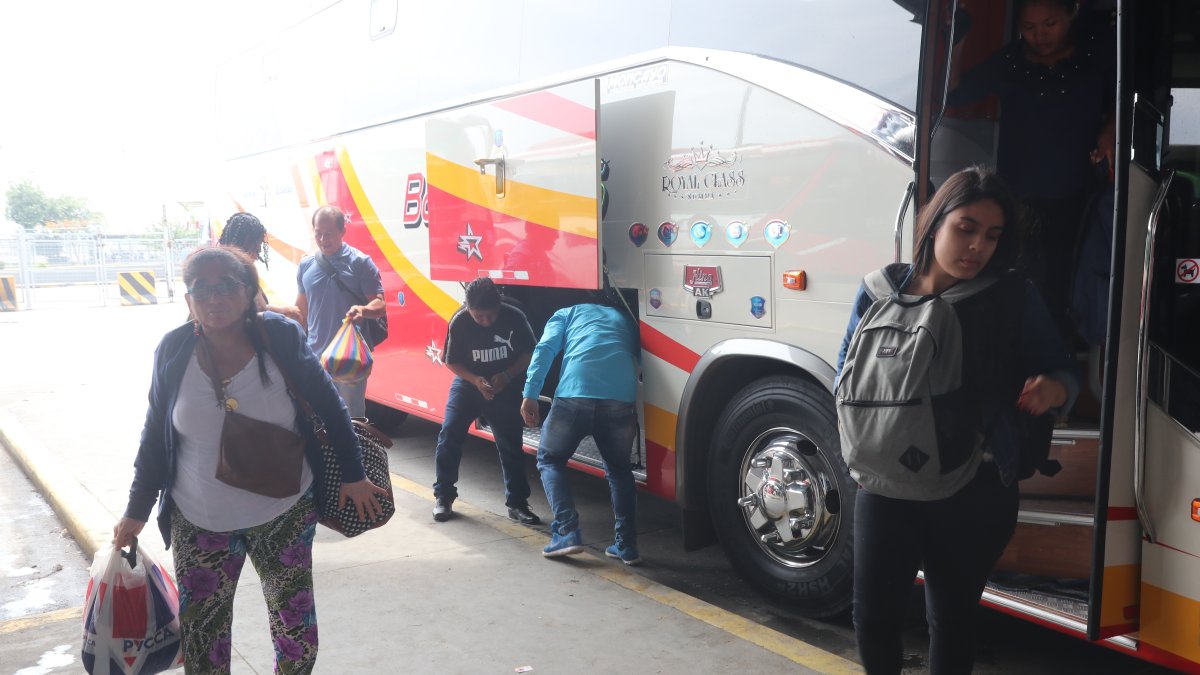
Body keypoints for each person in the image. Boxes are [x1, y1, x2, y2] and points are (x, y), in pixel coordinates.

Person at [835, 166, 1079, 674]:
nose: (978, 247)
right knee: (873, 617)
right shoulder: (880, 290)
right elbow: (847, 373)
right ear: (934, 223)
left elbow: (1061, 369)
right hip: (886, 482)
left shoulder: (1011, 297)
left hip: (974, 485)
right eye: (965, 228)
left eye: (991, 236)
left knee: (951, 617)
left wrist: (1056, 388)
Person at [113, 246, 385, 674]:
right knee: (205, 647)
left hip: (284, 512)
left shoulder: (280, 336)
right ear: (188, 299)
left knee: (298, 643)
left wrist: (353, 475)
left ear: (249, 293)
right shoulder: (173, 350)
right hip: (199, 519)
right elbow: (155, 435)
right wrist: (136, 510)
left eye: (226, 286)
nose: (214, 298)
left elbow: (331, 407)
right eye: (201, 288)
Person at [947, 0, 1115, 326]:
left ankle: (1060, 357)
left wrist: (1111, 128)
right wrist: (959, 34)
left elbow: (1124, 96)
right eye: (1029, 27)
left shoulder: (1097, 53)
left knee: (1069, 278)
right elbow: (954, 93)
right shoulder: (1010, 62)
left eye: (1049, 24)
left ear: (1072, 12)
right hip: (1019, 196)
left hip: (1078, 193)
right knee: (1020, 279)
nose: (1039, 35)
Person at [520, 292, 641, 563]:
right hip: (620, 399)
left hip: (575, 396)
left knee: (550, 458)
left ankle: (567, 531)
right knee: (620, 470)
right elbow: (644, 360)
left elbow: (546, 348)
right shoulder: (625, 319)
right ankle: (627, 546)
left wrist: (530, 393)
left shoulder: (566, 313)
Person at [432, 277, 540, 525]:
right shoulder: (459, 321)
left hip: (505, 383)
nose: (485, 322)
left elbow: (530, 350)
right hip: (470, 384)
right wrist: (476, 380)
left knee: (510, 444)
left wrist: (507, 375)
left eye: (490, 316)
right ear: (467, 307)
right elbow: (451, 361)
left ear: (499, 305)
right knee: (449, 434)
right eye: (478, 316)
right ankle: (443, 496)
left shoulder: (514, 315)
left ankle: (517, 504)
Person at [295, 205, 386, 417]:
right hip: (316, 356)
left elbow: (380, 305)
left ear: (343, 232)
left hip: (350, 359)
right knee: (319, 418)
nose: (323, 239)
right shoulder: (306, 265)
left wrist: (363, 310)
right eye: (318, 233)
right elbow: (301, 311)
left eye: (329, 234)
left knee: (352, 419)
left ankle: (354, 452)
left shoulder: (360, 263)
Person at [219, 212, 301, 322]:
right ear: (235, 244)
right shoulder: (226, 274)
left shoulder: (244, 270)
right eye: (248, 249)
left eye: (256, 250)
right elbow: (254, 313)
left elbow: (260, 307)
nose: (254, 255)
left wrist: (283, 310)